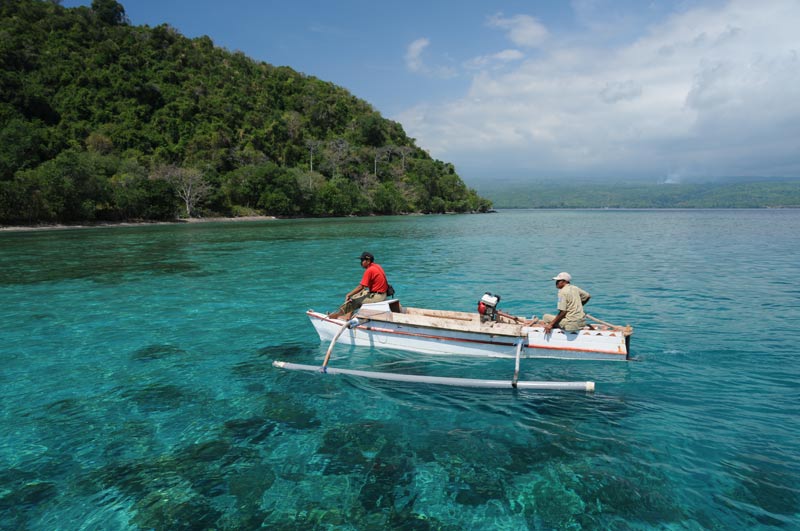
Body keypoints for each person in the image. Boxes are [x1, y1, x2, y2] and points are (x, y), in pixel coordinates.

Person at [329, 252, 389, 319]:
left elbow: (361, 287)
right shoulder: (377, 266)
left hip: (377, 296)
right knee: (356, 295)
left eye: (362, 260)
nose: (361, 262)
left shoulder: (369, 270)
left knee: (353, 301)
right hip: (383, 294)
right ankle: (347, 316)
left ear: (368, 261)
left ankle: (338, 316)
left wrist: (348, 295)